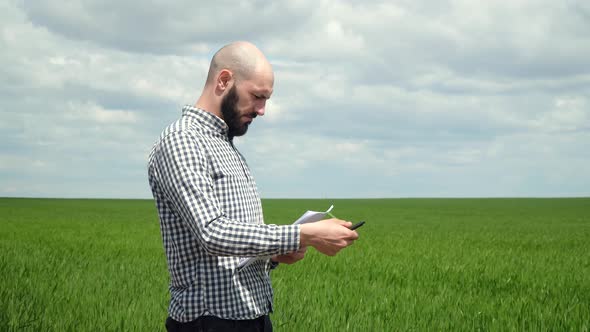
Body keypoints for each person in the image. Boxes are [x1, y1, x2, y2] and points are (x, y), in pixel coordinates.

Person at [147, 41, 359, 332]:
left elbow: (231, 251)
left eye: (266, 99)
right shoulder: (183, 140)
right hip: (210, 322)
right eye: (257, 96)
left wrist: (273, 255)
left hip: (251, 317)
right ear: (224, 80)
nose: (262, 110)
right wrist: (301, 233)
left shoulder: (227, 147)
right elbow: (212, 232)